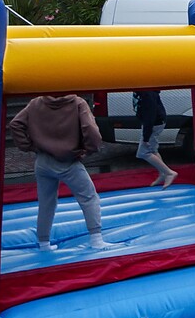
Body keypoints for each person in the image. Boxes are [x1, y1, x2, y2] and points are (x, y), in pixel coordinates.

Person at [8, 92, 118, 251]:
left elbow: (15, 124)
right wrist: (88, 150)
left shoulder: (36, 103)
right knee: (89, 198)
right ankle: (96, 239)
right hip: (68, 162)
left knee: (46, 203)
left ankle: (44, 243)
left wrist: (28, 145)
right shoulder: (78, 103)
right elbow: (91, 130)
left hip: (43, 161)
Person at [132, 88, 177, 188]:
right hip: (154, 122)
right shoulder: (143, 91)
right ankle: (162, 174)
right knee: (153, 150)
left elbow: (150, 116)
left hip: (154, 124)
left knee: (143, 152)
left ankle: (169, 173)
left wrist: (146, 138)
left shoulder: (147, 93)